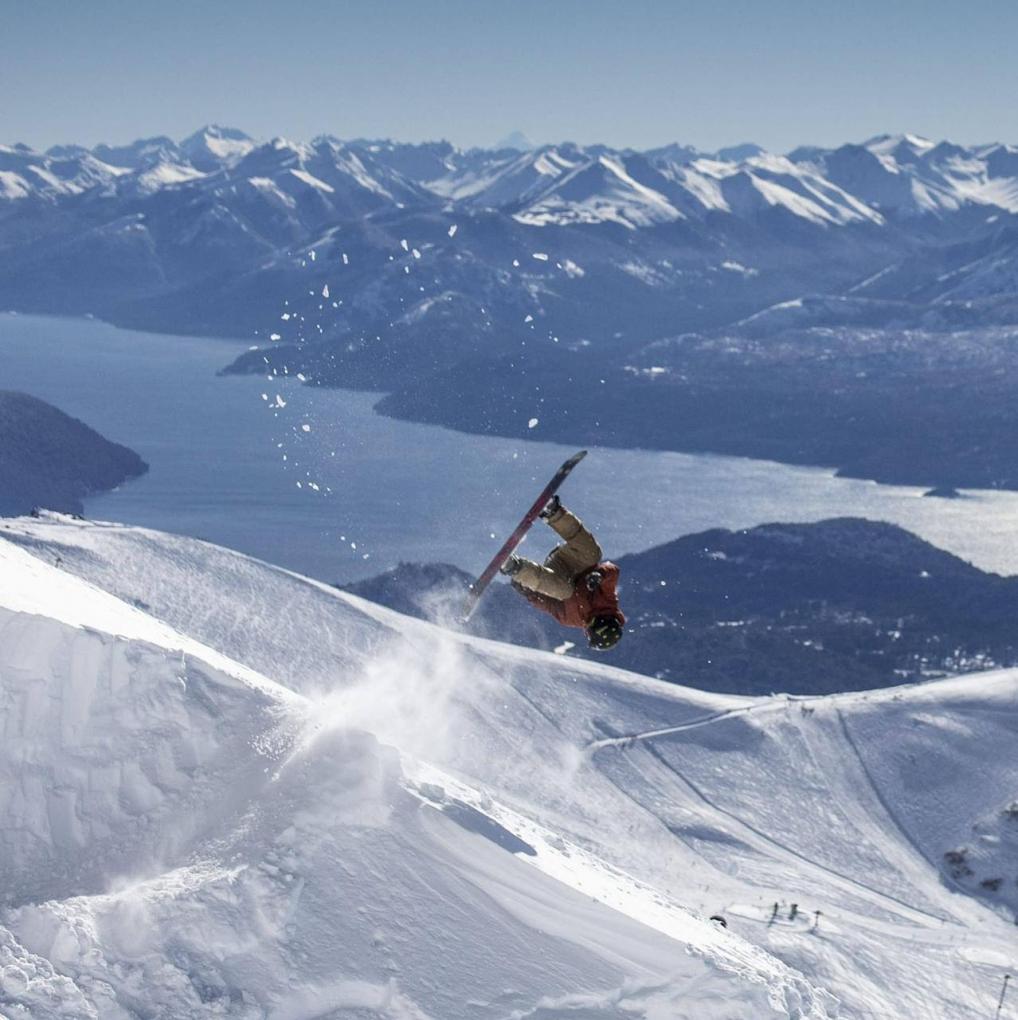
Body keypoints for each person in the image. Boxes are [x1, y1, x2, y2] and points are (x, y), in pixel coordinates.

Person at [500, 495, 625, 650]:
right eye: (590, 631)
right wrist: (600, 575)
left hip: (556, 574)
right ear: (599, 624)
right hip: (574, 561)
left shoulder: (571, 619)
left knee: (565, 591)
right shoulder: (607, 603)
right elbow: (613, 572)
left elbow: (547, 603)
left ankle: (515, 567)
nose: (586, 630)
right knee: (594, 554)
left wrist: (527, 590)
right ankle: (554, 513)